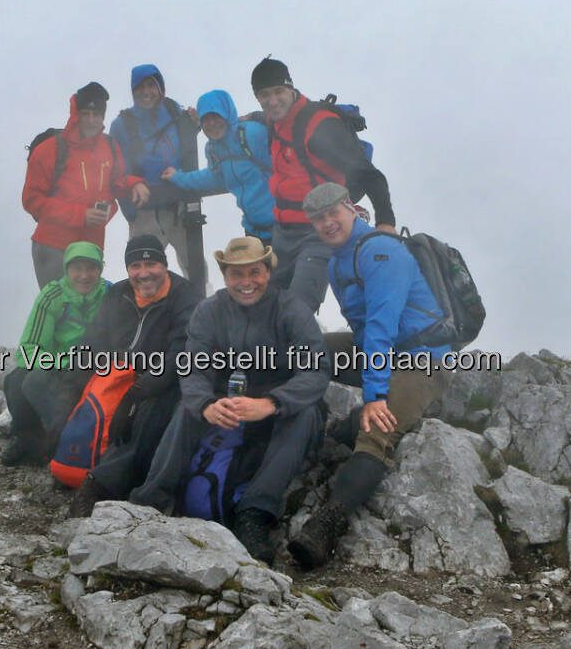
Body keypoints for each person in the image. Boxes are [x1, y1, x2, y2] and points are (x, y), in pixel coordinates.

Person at [128, 236, 328, 562]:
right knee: (186, 409)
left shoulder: (292, 310)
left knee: (305, 414)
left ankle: (254, 514)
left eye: (254, 272)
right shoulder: (209, 311)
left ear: (268, 271)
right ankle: (151, 498)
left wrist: (272, 403)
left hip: (275, 403)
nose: (246, 282)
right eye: (236, 274)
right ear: (225, 276)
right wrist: (206, 404)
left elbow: (316, 370)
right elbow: (193, 366)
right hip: (226, 400)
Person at [287, 183, 452, 570]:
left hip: (420, 360)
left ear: (351, 208)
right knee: (303, 349)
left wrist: (374, 398)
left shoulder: (380, 252)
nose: (327, 223)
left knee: (374, 430)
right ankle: (298, 425)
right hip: (381, 352)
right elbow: (365, 334)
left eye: (333, 213)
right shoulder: (337, 259)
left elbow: (380, 328)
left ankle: (325, 525)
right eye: (319, 218)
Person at [66, 234, 203, 517]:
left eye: (151, 263)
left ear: (163, 265)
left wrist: (140, 390)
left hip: (159, 379)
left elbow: (183, 352)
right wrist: (76, 368)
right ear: (128, 269)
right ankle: (64, 456)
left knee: (150, 410)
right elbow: (94, 338)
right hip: (117, 373)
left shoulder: (184, 295)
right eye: (135, 266)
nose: (143, 273)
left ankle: (98, 485)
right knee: (67, 385)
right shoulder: (118, 294)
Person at [250, 56, 397, 313]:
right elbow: (262, 115)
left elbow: (370, 175)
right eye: (264, 95)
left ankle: (307, 352)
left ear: (291, 88)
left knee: (298, 308)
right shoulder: (273, 118)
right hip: (283, 231)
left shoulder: (319, 127)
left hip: (318, 230)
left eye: (278, 91)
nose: (272, 101)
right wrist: (242, 118)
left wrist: (386, 224)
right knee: (267, 305)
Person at [23, 81, 150, 289]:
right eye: (85, 114)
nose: (91, 120)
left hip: (90, 247)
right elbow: (32, 200)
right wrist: (81, 215)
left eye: (96, 115)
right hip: (54, 246)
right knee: (58, 311)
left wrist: (134, 184)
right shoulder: (49, 150)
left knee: (87, 314)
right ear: (76, 114)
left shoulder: (109, 146)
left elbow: (117, 182)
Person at [0, 242, 110, 467]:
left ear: (100, 269)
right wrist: (61, 366)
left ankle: (66, 441)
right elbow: (29, 348)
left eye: (91, 268)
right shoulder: (52, 296)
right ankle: (27, 439)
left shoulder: (111, 294)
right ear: (66, 269)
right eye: (76, 268)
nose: (84, 275)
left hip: (96, 368)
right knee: (17, 379)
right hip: (59, 366)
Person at [109, 64, 201, 277]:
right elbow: (115, 172)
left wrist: (195, 125)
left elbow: (186, 145)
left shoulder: (175, 112)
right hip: (144, 212)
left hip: (180, 206)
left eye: (151, 85)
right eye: (140, 87)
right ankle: (145, 310)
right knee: (144, 272)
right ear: (133, 91)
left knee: (196, 269)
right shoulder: (122, 124)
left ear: (161, 87)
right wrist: (130, 213)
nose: (146, 91)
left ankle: (200, 307)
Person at [160, 89, 275, 244]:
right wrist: (178, 177)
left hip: (283, 227)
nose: (211, 123)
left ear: (227, 114)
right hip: (254, 231)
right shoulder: (213, 149)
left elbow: (288, 160)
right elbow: (213, 178)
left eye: (216, 116)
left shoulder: (251, 134)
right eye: (205, 119)